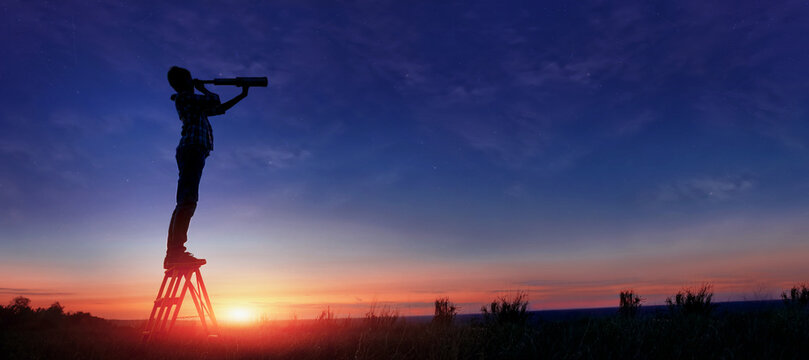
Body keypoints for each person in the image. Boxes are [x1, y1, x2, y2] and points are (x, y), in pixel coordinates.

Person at [164, 66, 249, 268]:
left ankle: (174, 252)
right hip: (192, 149)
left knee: (185, 201)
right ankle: (175, 252)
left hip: (195, 151)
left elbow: (219, 109)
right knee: (187, 201)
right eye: (190, 78)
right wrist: (203, 89)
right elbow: (214, 100)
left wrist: (242, 95)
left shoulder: (194, 105)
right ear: (183, 81)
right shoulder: (185, 98)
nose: (193, 80)